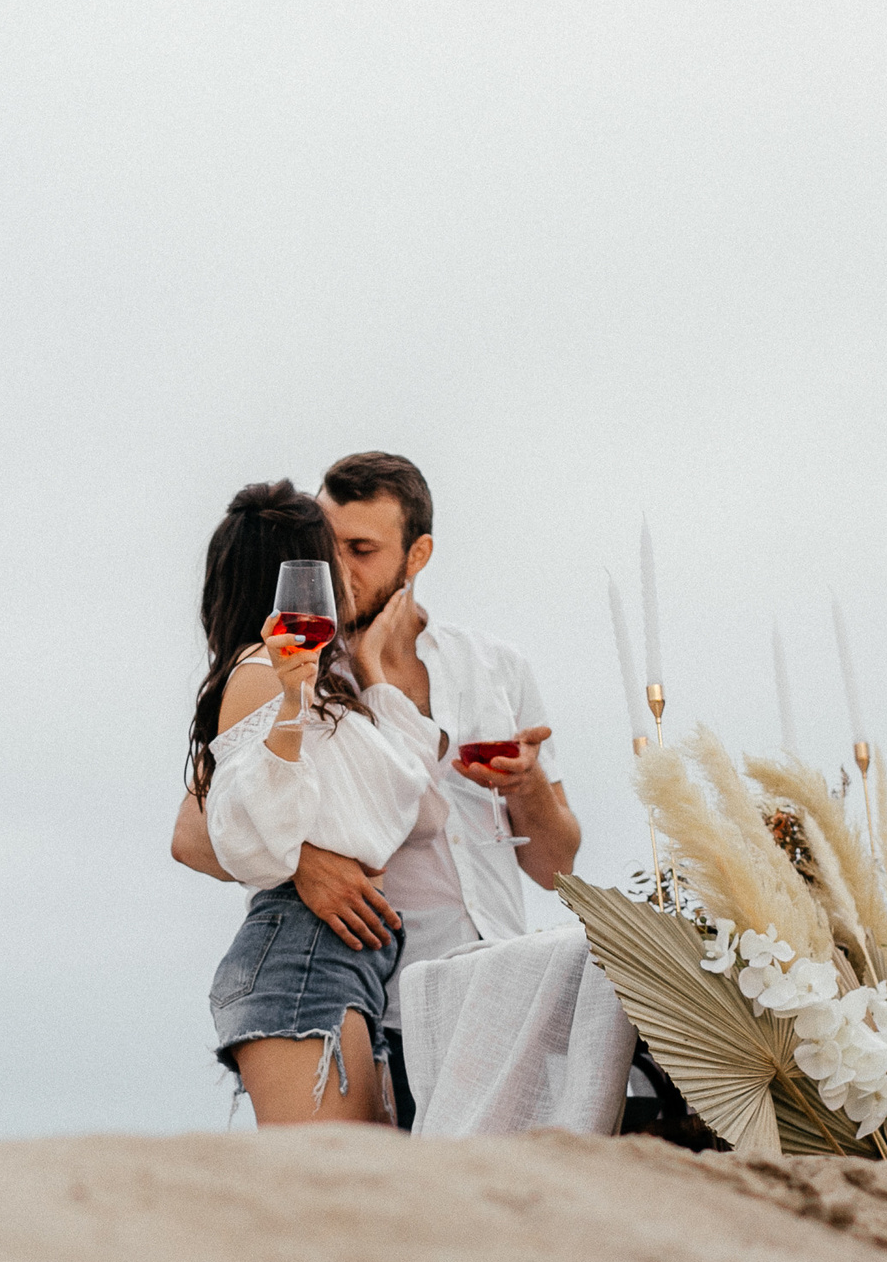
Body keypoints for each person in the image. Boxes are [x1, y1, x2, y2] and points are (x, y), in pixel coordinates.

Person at [173, 452, 581, 1130]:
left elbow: (557, 865)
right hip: (376, 995)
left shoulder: (496, 669)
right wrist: (305, 864)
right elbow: (192, 832)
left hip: (499, 987)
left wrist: (528, 782)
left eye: (362, 549)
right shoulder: (299, 659)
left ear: (416, 553)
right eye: (330, 547)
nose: (340, 570)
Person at [189, 479, 436, 1126]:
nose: (345, 578)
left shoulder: (315, 683)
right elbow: (245, 835)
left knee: (358, 1191)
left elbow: (407, 790)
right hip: (302, 953)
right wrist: (293, 708)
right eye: (332, 559)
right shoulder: (261, 676)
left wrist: (376, 663)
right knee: (335, 1190)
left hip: (351, 961)